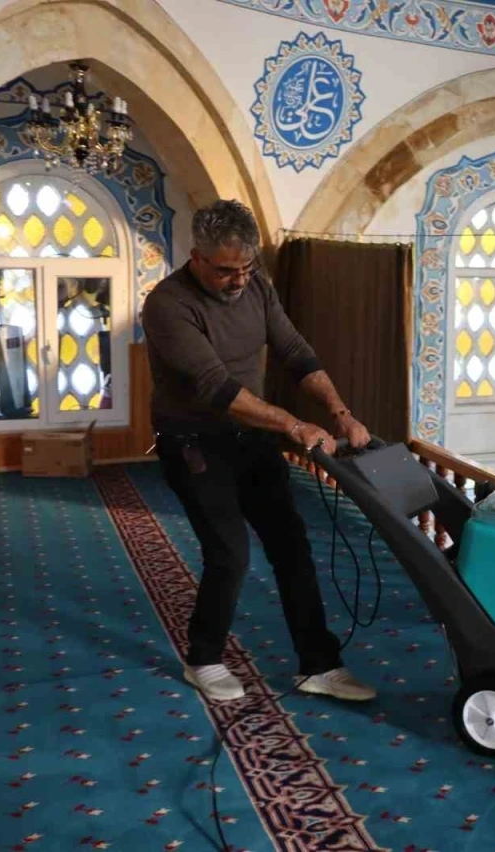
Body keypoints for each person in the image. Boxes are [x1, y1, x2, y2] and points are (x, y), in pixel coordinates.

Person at [141, 199, 376, 703]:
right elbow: (217, 387)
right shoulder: (167, 305)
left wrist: (339, 412)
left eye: (247, 267)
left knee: (291, 544)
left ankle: (318, 664)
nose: (239, 280)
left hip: (251, 439)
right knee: (230, 552)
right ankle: (203, 659)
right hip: (193, 444)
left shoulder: (258, 287)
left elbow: (295, 352)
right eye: (226, 270)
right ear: (196, 257)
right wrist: (294, 424)